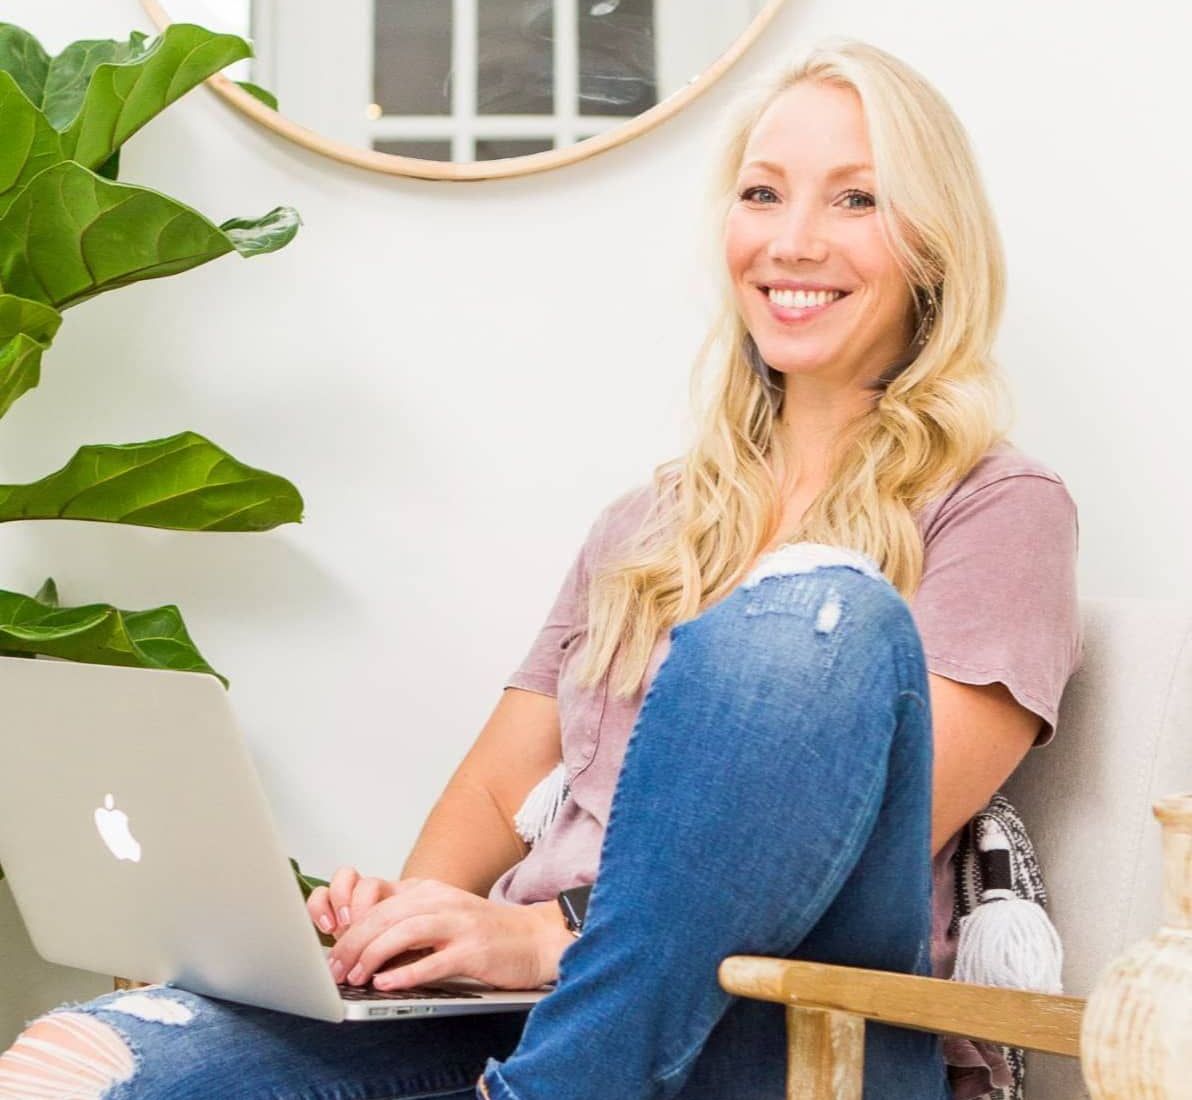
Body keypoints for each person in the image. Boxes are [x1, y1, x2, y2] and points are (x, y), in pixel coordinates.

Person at [0, 36, 1081, 1100]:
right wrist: (406, 922)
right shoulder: (646, 525)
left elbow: (833, 851)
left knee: (810, 613)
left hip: (793, 1025)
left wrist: (542, 933)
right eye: (761, 194)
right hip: (529, 1017)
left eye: (856, 199)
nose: (793, 240)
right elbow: (489, 787)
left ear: (933, 244)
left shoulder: (999, 510)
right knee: (85, 1061)